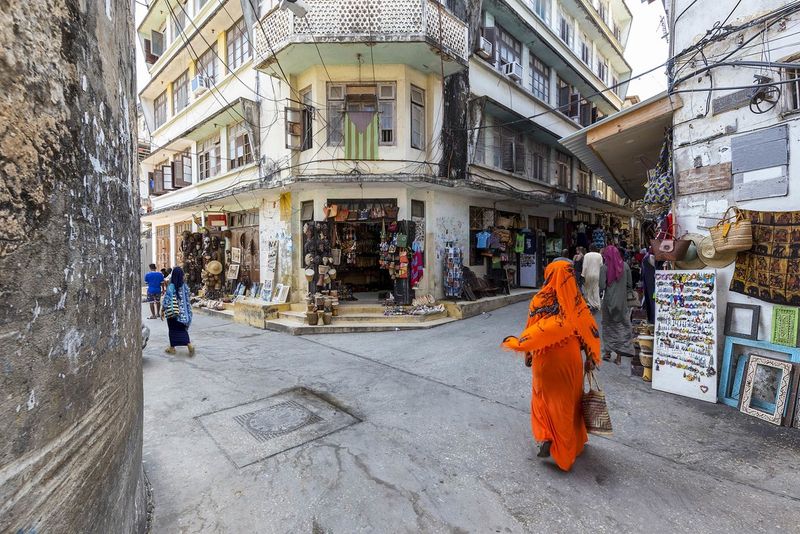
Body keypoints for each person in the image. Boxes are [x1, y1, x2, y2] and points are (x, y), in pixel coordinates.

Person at [502, 260, 601, 472]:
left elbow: (531, 329)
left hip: (544, 358)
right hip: (570, 359)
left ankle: (546, 435)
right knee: (568, 402)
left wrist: (528, 354)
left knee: (542, 399)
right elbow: (587, 330)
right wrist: (591, 357)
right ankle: (567, 448)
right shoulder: (575, 300)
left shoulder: (539, 299)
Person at [600, 246, 634, 365]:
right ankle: (619, 357)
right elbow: (630, 284)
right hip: (622, 302)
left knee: (608, 326)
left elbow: (602, 286)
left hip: (608, 302)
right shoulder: (625, 266)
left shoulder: (605, 268)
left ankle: (607, 352)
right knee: (621, 328)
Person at [161, 266, 194, 356]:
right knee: (182, 330)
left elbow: (167, 299)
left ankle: (172, 348)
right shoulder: (185, 286)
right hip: (184, 313)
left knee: (172, 330)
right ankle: (189, 344)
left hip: (174, 312)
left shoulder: (171, 286)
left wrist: (162, 310)